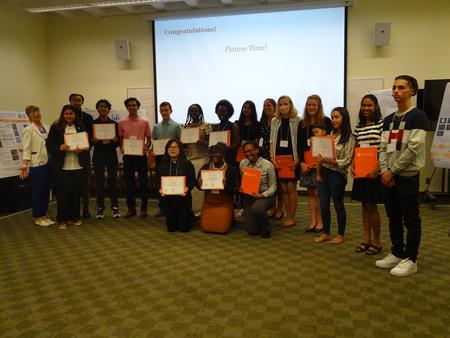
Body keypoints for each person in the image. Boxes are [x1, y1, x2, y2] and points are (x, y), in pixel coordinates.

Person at [375, 75, 428, 277]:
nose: (396, 91)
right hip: (389, 176)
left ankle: (411, 259)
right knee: (393, 216)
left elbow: (413, 148)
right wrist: (384, 170)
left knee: (411, 218)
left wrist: (393, 171)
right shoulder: (388, 120)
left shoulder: (418, 116)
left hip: (406, 176)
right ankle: (397, 253)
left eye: (402, 87)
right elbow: (382, 148)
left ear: (412, 92)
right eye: (394, 87)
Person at [314, 107, 355, 245]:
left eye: (337, 117)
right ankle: (326, 233)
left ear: (344, 118)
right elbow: (322, 154)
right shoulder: (330, 134)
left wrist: (327, 160)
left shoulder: (349, 137)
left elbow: (347, 161)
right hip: (324, 173)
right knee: (324, 205)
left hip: (337, 175)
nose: (333, 120)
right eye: (332, 117)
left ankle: (340, 234)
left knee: (338, 205)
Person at [46, 104, 90, 229]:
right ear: (62, 115)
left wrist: (82, 150)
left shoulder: (81, 127)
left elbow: (87, 145)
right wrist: (59, 147)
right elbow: (49, 145)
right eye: (66, 114)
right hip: (62, 166)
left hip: (78, 166)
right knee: (63, 194)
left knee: (76, 193)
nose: (69, 116)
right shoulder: (56, 127)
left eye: (71, 114)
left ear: (75, 115)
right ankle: (62, 219)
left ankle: (75, 217)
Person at [351, 94, 384, 255]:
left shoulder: (381, 124)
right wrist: (352, 165)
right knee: (364, 206)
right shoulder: (359, 126)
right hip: (362, 172)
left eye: (369, 105)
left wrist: (377, 169)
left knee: (372, 206)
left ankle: (377, 241)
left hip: (374, 173)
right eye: (363, 105)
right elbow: (357, 147)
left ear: (376, 107)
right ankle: (366, 239)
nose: (365, 108)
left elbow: (383, 150)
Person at [298, 94, 332, 233]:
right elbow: (299, 145)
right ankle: (313, 220)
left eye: (314, 105)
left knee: (320, 193)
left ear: (319, 107)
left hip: (321, 163)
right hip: (306, 164)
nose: (311, 107)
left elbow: (329, 142)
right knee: (310, 192)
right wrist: (302, 163)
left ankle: (321, 221)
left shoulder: (326, 121)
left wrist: (320, 162)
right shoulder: (302, 123)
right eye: (309, 105)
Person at [20, 105, 54, 226]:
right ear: (28, 115)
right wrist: (24, 165)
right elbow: (26, 148)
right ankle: (38, 217)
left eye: (37, 111)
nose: (36, 114)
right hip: (37, 164)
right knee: (38, 191)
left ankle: (44, 214)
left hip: (49, 163)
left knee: (46, 191)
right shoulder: (28, 129)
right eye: (33, 112)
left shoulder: (47, 127)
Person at [270, 95, 300, 227]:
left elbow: (300, 142)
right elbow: (271, 141)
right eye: (280, 104)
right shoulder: (274, 121)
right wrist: (272, 159)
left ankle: (292, 217)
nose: (283, 107)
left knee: (291, 188)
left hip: (293, 159)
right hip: (279, 160)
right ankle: (288, 216)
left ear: (291, 105)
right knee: (284, 189)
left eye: (285, 104)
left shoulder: (298, 120)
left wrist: (298, 160)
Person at [118, 97, 151, 219]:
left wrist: (146, 148)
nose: (132, 107)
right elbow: (121, 139)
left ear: (138, 107)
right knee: (129, 183)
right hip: (128, 156)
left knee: (143, 183)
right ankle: (131, 209)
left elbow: (148, 139)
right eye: (129, 105)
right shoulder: (121, 122)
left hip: (141, 156)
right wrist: (121, 147)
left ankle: (144, 208)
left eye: (134, 105)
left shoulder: (145, 122)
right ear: (127, 107)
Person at [88, 99, 120, 219]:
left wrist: (116, 141)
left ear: (109, 109)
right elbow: (89, 143)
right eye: (100, 106)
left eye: (105, 107)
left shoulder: (114, 124)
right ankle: (100, 207)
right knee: (99, 183)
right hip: (98, 156)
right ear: (97, 109)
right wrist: (93, 141)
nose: (103, 109)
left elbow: (116, 145)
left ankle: (115, 207)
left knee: (112, 182)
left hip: (111, 156)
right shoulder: (92, 124)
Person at [197, 143, 238, 233]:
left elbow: (235, 189)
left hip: (224, 201)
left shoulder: (231, 169)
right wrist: (200, 184)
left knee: (222, 228)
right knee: (206, 227)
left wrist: (226, 185)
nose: (214, 155)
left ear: (223, 154)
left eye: (217, 152)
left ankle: (230, 215)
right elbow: (198, 186)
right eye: (211, 153)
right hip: (210, 201)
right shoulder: (205, 167)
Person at [240, 141, 277, 238]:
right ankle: (257, 219)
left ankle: (266, 227)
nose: (248, 153)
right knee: (252, 231)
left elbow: (273, 186)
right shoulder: (243, 164)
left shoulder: (267, 165)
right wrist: (242, 188)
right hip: (249, 196)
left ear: (257, 150)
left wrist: (261, 195)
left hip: (265, 196)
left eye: (250, 150)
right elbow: (243, 180)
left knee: (257, 208)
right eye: (245, 152)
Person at [158, 139, 196, 232]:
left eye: (175, 147)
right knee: (171, 228)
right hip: (169, 200)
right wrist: (161, 190)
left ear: (180, 149)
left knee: (184, 229)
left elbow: (192, 180)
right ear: (167, 150)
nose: (172, 149)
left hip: (183, 200)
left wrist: (187, 188)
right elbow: (159, 181)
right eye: (170, 147)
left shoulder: (187, 163)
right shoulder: (163, 164)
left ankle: (189, 215)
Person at [152, 101, 182, 218]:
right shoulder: (156, 127)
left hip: (173, 159)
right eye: (162, 110)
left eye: (166, 110)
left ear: (171, 111)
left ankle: (173, 207)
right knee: (161, 182)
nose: (164, 112)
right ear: (160, 112)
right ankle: (162, 207)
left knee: (173, 182)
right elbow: (154, 141)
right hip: (160, 159)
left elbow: (181, 142)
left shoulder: (176, 126)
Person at [183, 103, 210, 218]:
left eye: (196, 111)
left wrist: (203, 143)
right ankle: (192, 211)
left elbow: (211, 143)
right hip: (189, 159)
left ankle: (202, 210)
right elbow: (183, 147)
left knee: (201, 186)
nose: (194, 113)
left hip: (202, 159)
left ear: (200, 112)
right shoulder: (185, 128)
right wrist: (183, 144)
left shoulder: (206, 126)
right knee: (192, 188)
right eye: (191, 111)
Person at [69, 93, 93, 219]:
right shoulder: (66, 118)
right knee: (72, 184)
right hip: (68, 156)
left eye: (79, 100)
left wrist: (83, 149)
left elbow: (92, 138)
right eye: (74, 100)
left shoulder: (88, 118)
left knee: (85, 184)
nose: (76, 102)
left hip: (84, 156)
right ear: (70, 102)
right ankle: (73, 210)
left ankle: (85, 209)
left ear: (82, 102)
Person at [260, 98, 284, 220]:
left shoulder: (279, 120)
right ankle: (272, 207)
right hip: (264, 155)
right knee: (270, 183)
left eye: (269, 105)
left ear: (274, 106)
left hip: (276, 154)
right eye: (264, 106)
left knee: (279, 184)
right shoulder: (262, 121)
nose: (266, 108)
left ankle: (280, 209)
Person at [211, 99, 240, 168]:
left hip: (229, 156)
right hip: (216, 157)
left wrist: (227, 148)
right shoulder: (215, 127)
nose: (221, 113)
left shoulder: (233, 126)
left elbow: (237, 142)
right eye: (219, 111)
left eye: (224, 111)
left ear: (229, 112)